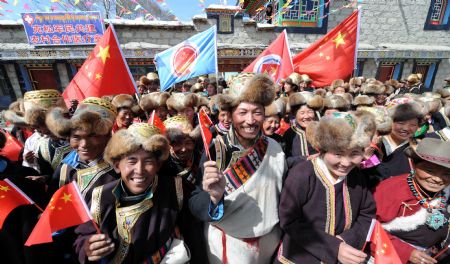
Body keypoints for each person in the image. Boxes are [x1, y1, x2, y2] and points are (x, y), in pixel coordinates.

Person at [189, 73, 287, 263]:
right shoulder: (216, 150)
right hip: (231, 244)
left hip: (270, 240)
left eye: (257, 112)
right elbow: (195, 199)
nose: (250, 120)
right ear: (231, 115)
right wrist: (213, 197)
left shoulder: (275, 148)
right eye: (242, 112)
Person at [74, 123, 189, 263]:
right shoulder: (100, 197)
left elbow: (200, 212)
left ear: (158, 165)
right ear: (117, 165)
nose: (139, 170)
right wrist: (88, 247)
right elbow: (83, 237)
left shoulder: (174, 189)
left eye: (148, 161)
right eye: (131, 161)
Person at [277, 112, 376, 263]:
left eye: (354, 154)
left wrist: (346, 240)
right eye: (338, 153)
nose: (346, 162)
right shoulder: (302, 174)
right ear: (323, 149)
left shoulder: (356, 176)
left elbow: (367, 213)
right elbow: (289, 220)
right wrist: (334, 247)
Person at [373, 138, 450, 264]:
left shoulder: (442, 193)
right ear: (413, 164)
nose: (437, 179)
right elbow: (368, 227)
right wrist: (407, 252)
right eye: (430, 171)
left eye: (446, 174)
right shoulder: (390, 189)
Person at [46, 97, 119, 202]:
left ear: (107, 137)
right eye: (76, 137)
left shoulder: (120, 168)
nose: (84, 144)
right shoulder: (65, 168)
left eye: (92, 136)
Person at [370, 99, 424, 186]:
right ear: (389, 122)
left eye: (412, 125)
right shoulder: (374, 144)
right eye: (401, 123)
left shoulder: (416, 151)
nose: (406, 128)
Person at [282, 92, 323, 167]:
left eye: (310, 112)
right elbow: (284, 160)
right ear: (295, 115)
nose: (306, 116)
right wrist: (306, 159)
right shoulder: (290, 134)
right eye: (302, 113)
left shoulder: (322, 130)